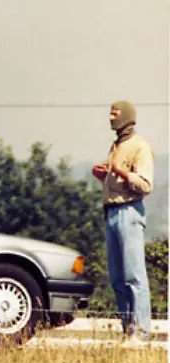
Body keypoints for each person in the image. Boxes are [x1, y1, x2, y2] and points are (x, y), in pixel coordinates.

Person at [91, 100, 154, 345]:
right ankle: (128, 331)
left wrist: (121, 171)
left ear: (126, 116)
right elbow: (115, 180)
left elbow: (146, 185)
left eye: (115, 113)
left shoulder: (139, 147)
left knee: (133, 275)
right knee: (117, 277)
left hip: (129, 211)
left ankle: (141, 332)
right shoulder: (117, 145)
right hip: (112, 211)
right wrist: (103, 177)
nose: (111, 117)